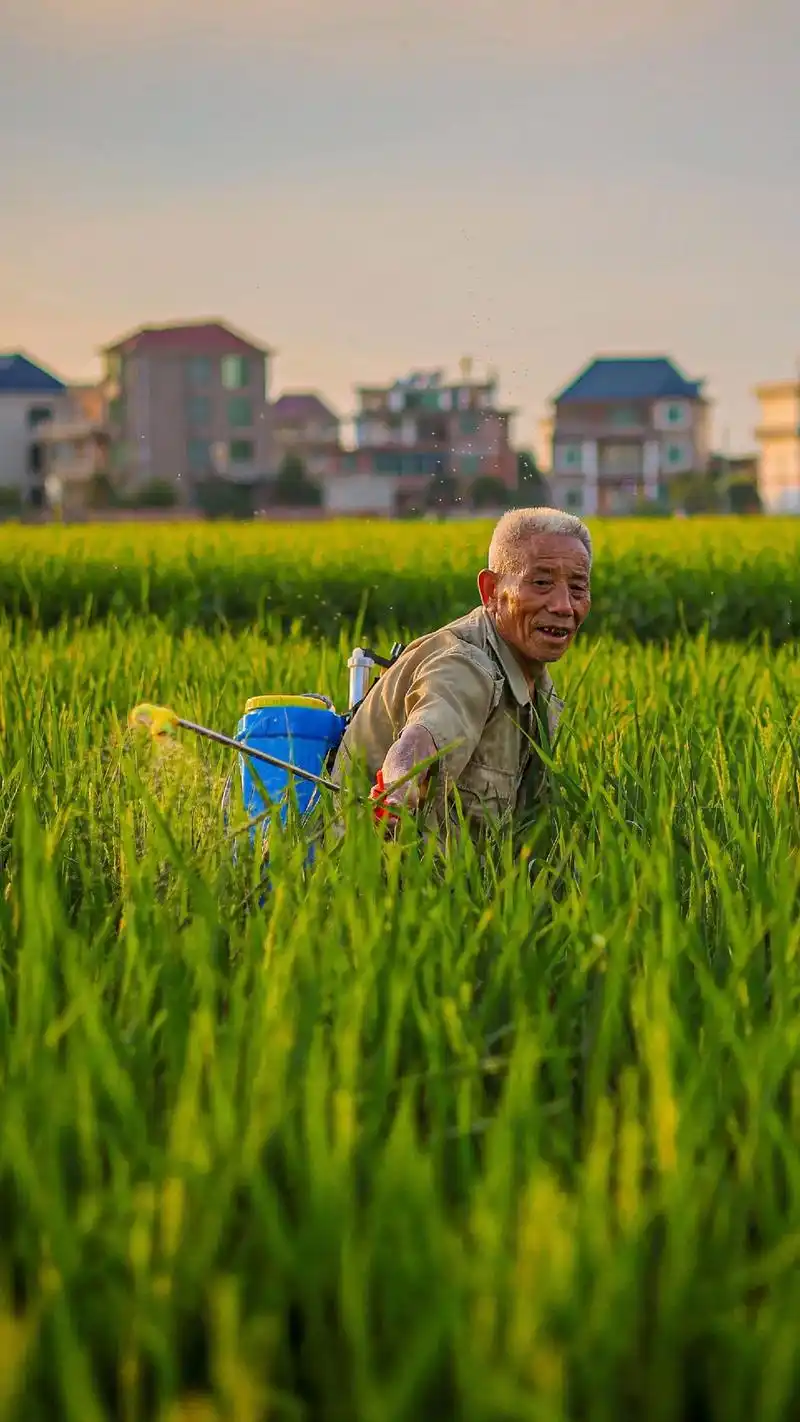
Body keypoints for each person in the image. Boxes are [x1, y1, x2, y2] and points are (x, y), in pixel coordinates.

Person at [331, 506, 592, 848]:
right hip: (368, 885)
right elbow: (422, 736)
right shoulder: (465, 666)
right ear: (491, 590)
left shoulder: (536, 686)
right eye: (541, 583)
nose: (563, 605)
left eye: (577, 588)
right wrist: (398, 788)